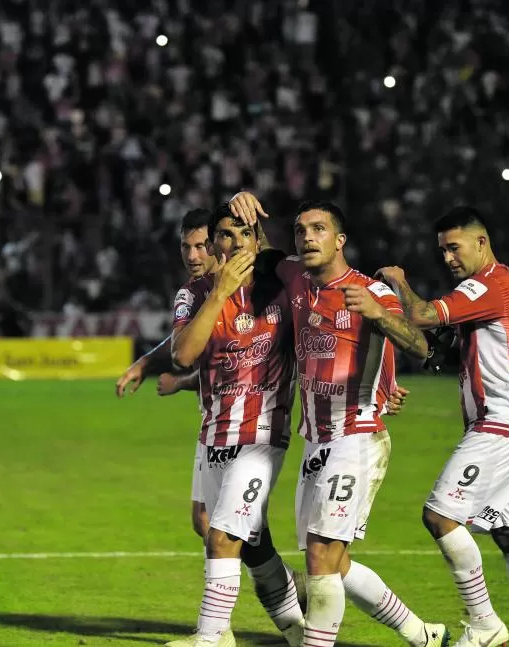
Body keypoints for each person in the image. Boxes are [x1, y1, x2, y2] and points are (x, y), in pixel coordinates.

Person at [228, 194, 450, 647]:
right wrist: (244, 208)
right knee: (335, 564)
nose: (308, 237)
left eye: (319, 229)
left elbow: (423, 348)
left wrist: (377, 314)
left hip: (358, 436)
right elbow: (261, 253)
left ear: (340, 239)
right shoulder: (295, 277)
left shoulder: (372, 290)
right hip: (316, 443)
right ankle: (421, 633)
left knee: (321, 557)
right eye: (301, 230)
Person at [376, 206, 509, 647]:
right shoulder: (496, 289)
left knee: (440, 515)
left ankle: (484, 622)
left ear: (481, 243)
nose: (449, 258)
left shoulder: (487, 284)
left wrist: (399, 281)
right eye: (443, 251)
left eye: (454, 248)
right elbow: (443, 348)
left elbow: (421, 316)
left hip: (499, 425)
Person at [166, 204, 306, 647]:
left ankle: (210, 638)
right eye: (222, 238)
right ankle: (299, 630)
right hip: (214, 435)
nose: (233, 245)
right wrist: (220, 293)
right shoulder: (195, 294)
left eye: (245, 235)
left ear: (257, 241)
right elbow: (184, 354)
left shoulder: (280, 287)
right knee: (242, 537)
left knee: (224, 534)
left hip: (263, 437)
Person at [116, 208, 218, 540]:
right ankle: (286, 589)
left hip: (245, 422)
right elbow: (180, 344)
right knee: (205, 521)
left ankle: (285, 590)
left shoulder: (239, 290)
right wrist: (144, 364)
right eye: (186, 247)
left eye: (201, 245)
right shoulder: (191, 293)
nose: (193, 255)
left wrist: (181, 382)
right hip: (214, 417)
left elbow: (234, 367)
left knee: (225, 527)